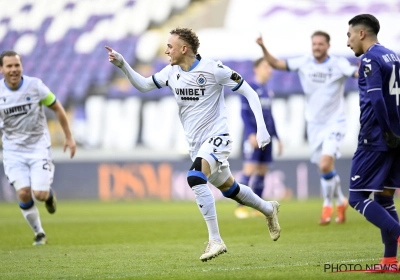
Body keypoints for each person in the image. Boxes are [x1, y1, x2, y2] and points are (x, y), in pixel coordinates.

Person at [105, 27, 281, 262]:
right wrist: (124, 64)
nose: (167, 51)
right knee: (231, 190)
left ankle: (215, 240)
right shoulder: (171, 72)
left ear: (183, 48)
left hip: (218, 137)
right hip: (197, 145)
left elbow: (250, 92)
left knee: (195, 177)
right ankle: (269, 209)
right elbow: (145, 85)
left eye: (170, 46)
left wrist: (261, 128)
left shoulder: (213, 69)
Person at [256, 31, 358, 225]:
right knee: (324, 168)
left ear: (328, 45)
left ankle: (328, 205)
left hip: (335, 122)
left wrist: (364, 70)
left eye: (321, 44)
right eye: (314, 44)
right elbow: (276, 63)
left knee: (326, 164)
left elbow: (355, 72)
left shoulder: (338, 64)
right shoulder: (304, 62)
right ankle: (341, 201)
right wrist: (262, 47)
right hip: (314, 125)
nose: (317, 47)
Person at [0, 50, 76, 245]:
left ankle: (49, 197)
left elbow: (57, 107)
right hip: (12, 151)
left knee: (40, 194)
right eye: (9, 66)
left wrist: (68, 136)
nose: (14, 69)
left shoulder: (35, 86)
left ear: (21, 67)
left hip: (37, 147)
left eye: (17, 65)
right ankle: (39, 233)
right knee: (24, 193)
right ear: (2, 69)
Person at [347, 14, 400, 272]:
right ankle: (390, 262)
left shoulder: (369, 58)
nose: (348, 43)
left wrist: (387, 131)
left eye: (348, 36)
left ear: (361, 34)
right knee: (385, 198)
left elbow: (377, 99)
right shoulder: (394, 56)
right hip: (396, 135)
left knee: (356, 197)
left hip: (376, 136)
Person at [235, 58, 283, 219]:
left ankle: (257, 207)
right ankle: (240, 207)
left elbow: (270, 117)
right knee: (249, 169)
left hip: (267, 138)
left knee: (262, 170)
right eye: (265, 67)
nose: (269, 70)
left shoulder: (267, 91)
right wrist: (250, 133)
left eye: (270, 67)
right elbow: (244, 114)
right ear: (256, 69)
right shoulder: (249, 89)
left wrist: (277, 138)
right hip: (253, 137)